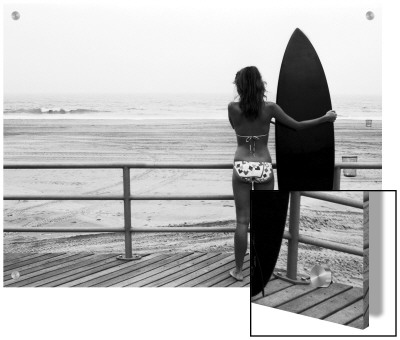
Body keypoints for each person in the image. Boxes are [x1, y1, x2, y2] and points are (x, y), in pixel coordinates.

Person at [228, 66, 337, 281]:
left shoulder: (232, 107)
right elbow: (296, 126)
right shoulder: (270, 108)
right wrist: (324, 118)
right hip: (264, 166)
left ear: (240, 86)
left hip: (241, 165)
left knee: (242, 221)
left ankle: (239, 271)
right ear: (260, 84)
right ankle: (261, 269)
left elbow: (235, 126)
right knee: (263, 220)